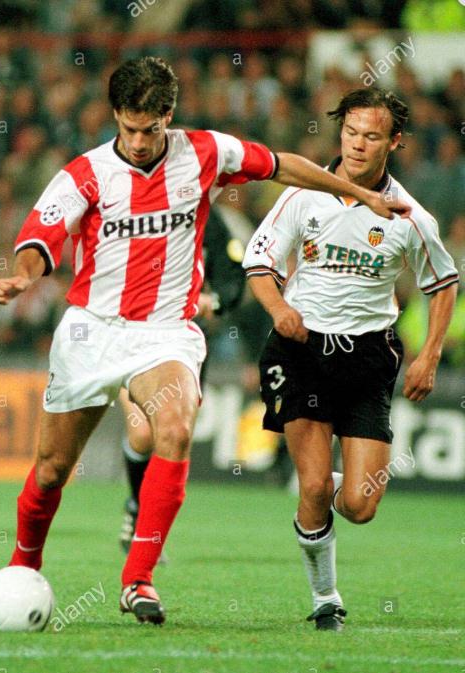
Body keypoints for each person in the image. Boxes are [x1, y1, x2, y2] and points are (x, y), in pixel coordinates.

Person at [0, 58, 410, 626]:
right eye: (129, 128)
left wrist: (356, 194)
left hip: (166, 332)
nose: (140, 142)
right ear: (115, 116)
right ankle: (24, 565)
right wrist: (23, 275)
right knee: (49, 471)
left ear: (168, 115)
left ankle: (138, 579)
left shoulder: (206, 152)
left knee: (175, 427)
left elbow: (281, 165)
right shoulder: (84, 174)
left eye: (150, 129)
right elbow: (39, 238)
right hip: (92, 331)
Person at [242, 87, 458, 631]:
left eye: (372, 136)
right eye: (351, 132)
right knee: (315, 486)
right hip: (302, 351)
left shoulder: (410, 215)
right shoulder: (304, 195)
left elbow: (443, 283)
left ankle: (329, 480)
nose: (358, 145)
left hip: (367, 357)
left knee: (360, 505)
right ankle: (325, 598)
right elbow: (259, 263)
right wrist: (279, 309)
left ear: (395, 141)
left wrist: (430, 354)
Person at [118, 205, 245, 559]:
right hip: (132, 332)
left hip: (183, 342)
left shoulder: (207, 218)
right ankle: (136, 505)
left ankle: (147, 531)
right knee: (142, 434)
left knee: (170, 436)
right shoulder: (132, 207)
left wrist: (214, 300)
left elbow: (233, 273)